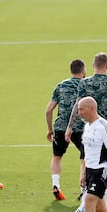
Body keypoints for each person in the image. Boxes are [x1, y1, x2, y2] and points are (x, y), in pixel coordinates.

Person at [66, 52, 107, 212]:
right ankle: (103, 204)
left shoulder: (85, 83)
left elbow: (77, 107)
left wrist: (69, 126)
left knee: (88, 165)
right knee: (105, 167)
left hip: (88, 130)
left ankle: (84, 204)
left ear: (93, 65)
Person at [45, 59, 86, 201]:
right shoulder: (86, 85)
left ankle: (56, 185)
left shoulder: (61, 85)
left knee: (57, 156)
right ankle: (83, 189)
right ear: (83, 70)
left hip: (60, 128)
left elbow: (48, 110)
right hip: (81, 128)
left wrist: (50, 129)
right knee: (84, 158)